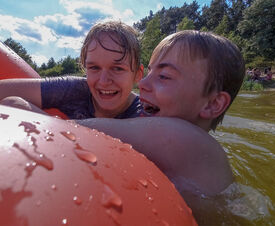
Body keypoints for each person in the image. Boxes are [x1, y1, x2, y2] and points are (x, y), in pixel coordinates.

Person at [76, 30, 245, 201]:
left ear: (213, 104)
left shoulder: (192, 143)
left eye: (164, 76)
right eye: (149, 73)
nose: (141, 83)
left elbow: (81, 129)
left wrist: (49, 120)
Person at [0, 20, 144, 119]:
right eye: (94, 67)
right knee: (14, 104)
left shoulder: (146, 113)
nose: (104, 81)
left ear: (137, 75)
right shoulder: (74, 89)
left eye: (118, 68)